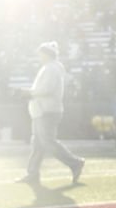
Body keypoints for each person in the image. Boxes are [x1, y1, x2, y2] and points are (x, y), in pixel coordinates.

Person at [20, 42, 83, 184]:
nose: (39, 56)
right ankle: (32, 173)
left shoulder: (51, 69)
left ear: (47, 54)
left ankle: (75, 163)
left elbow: (47, 89)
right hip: (43, 110)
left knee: (48, 142)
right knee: (37, 143)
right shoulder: (51, 68)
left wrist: (28, 92)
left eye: (41, 53)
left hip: (46, 110)